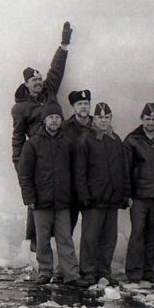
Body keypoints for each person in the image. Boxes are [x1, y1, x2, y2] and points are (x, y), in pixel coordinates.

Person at [11, 21, 73, 251]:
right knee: (37, 204)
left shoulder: (50, 92)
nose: (38, 83)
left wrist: (64, 44)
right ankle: (36, 247)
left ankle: (62, 247)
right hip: (38, 157)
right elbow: (18, 140)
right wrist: (20, 166)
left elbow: (56, 69)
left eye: (39, 79)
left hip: (60, 151)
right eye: (34, 81)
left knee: (62, 200)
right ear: (26, 84)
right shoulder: (21, 109)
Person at [16, 102, 90, 289]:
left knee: (65, 239)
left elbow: (76, 171)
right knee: (42, 240)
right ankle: (45, 271)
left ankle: (70, 274)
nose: (54, 121)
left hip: (63, 202)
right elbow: (24, 174)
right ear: (44, 120)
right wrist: (29, 198)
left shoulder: (68, 143)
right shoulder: (33, 144)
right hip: (41, 202)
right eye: (51, 117)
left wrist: (75, 195)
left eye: (57, 117)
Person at [74, 102, 130, 286]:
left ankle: (104, 271)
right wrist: (83, 194)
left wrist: (124, 193)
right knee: (90, 238)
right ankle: (88, 272)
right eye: (100, 117)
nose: (103, 121)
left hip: (112, 199)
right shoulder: (86, 140)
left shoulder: (116, 140)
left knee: (109, 239)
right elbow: (79, 171)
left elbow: (124, 169)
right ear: (94, 119)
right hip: (94, 199)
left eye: (106, 117)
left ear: (110, 118)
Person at [123, 102, 154, 284]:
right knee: (137, 233)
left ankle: (148, 271)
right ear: (142, 119)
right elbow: (126, 169)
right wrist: (127, 194)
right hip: (139, 196)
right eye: (147, 118)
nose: (151, 122)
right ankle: (134, 273)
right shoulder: (132, 140)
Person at [61, 89, 93, 232]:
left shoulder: (97, 125)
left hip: (92, 186)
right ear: (73, 107)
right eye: (79, 104)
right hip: (71, 186)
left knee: (92, 229)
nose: (83, 107)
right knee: (67, 227)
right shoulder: (64, 128)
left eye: (86, 103)